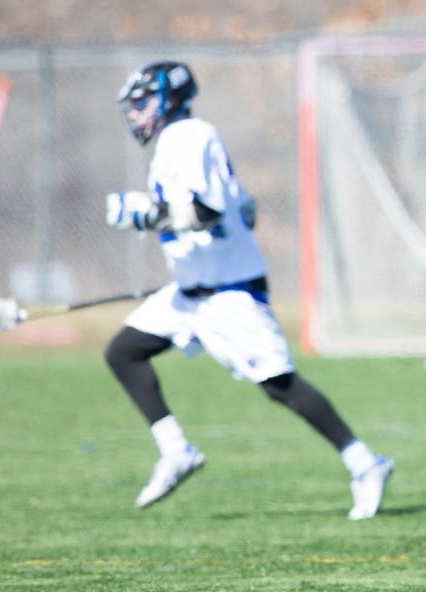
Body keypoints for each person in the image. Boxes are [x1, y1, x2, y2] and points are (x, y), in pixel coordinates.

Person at [103, 61, 393, 519]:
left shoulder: (189, 136)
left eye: (142, 103)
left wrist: (144, 214)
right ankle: (177, 450)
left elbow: (207, 211)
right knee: (124, 351)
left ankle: (367, 463)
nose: (135, 114)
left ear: (169, 98)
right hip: (192, 291)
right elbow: (245, 210)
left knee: (280, 386)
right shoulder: (180, 141)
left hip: (228, 294)